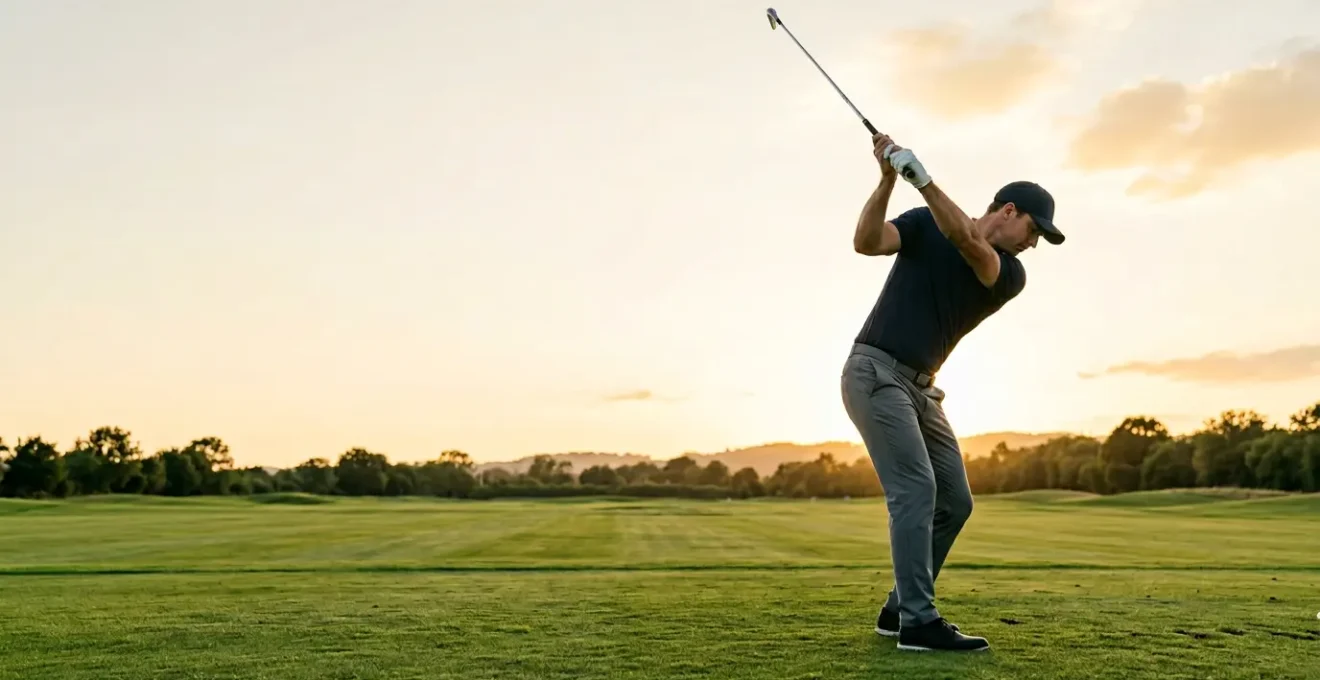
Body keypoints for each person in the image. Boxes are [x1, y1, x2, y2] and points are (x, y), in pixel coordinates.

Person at [840, 133, 1064, 652]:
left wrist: (925, 180)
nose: (1033, 244)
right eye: (1034, 230)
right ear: (1009, 210)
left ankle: (900, 608)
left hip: (922, 391)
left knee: (956, 502)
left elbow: (968, 242)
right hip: (874, 374)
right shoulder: (922, 226)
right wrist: (887, 181)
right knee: (916, 491)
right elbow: (866, 242)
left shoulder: (1009, 272)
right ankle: (919, 622)